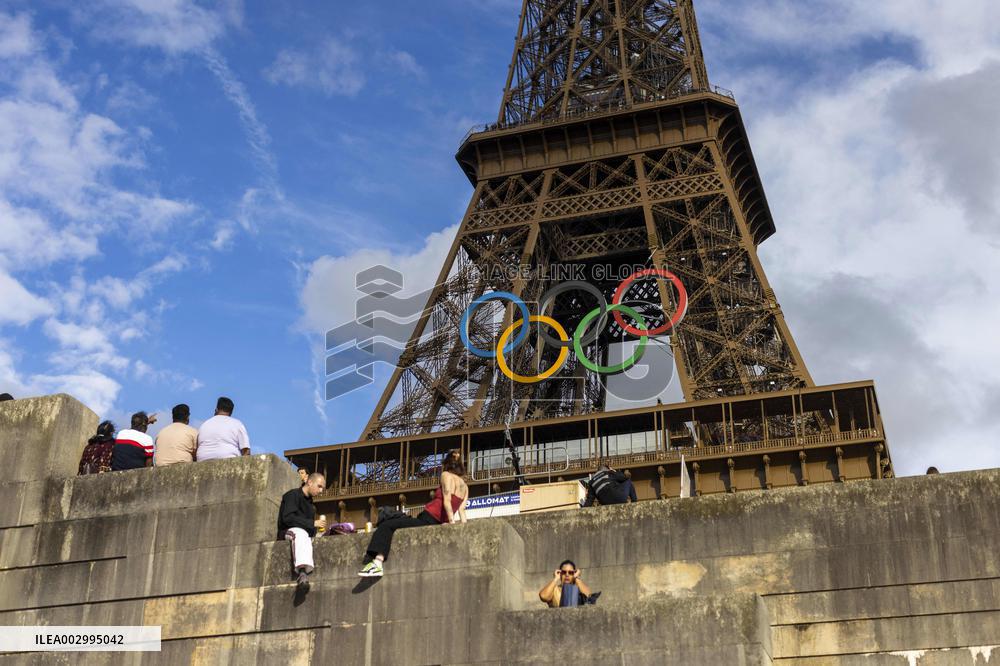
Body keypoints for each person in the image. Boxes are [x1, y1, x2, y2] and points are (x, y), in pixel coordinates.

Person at [358, 449, 468, 578]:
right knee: (397, 519)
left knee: (387, 525)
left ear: (447, 463)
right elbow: (462, 510)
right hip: (436, 521)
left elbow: (447, 499)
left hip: (428, 519)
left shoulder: (446, 475)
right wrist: (459, 525)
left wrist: (451, 522)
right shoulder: (465, 487)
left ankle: (377, 562)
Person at [277, 473, 327, 590]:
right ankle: (302, 571)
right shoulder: (292, 495)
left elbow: (309, 528)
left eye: (322, 488)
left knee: (308, 535)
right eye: (319, 486)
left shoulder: (311, 506)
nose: (320, 491)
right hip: (287, 531)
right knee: (299, 533)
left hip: (304, 536)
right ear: (309, 482)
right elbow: (287, 518)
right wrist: (312, 523)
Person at [196, 396, 250, 461]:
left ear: (216, 410)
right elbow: (246, 450)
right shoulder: (237, 424)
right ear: (231, 412)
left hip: (202, 460)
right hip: (228, 460)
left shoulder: (203, 425)